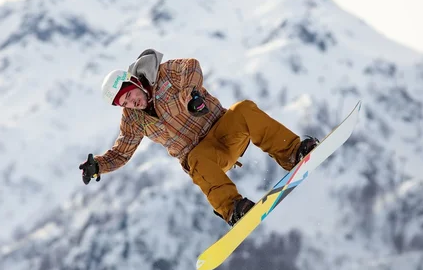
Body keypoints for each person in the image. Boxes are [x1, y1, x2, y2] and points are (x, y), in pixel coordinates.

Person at [79, 49, 318, 227]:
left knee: (244, 109)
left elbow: (191, 66)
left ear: (133, 82)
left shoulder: (163, 75)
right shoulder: (133, 119)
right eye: (126, 103)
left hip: (225, 129)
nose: (133, 103)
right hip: (204, 156)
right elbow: (122, 152)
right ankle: (234, 209)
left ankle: (294, 153)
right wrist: (98, 165)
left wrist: (189, 92)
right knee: (195, 159)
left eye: (130, 96)